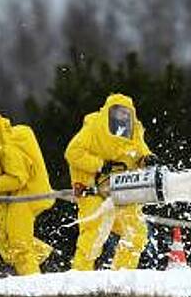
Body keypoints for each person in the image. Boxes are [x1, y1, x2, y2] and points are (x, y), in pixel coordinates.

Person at [65, 93, 155, 271]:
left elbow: (140, 152)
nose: (122, 117)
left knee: (136, 232)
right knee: (93, 232)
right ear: (109, 112)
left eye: (126, 113)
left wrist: (147, 159)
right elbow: (73, 152)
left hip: (121, 190)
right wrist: (100, 165)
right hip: (92, 190)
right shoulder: (93, 128)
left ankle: (121, 274)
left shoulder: (134, 132)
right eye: (118, 112)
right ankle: (80, 277)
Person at [0, 109, 54, 275]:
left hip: (25, 198)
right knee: (0, 234)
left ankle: (32, 281)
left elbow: (19, 179)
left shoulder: (8, 150)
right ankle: (45, 257)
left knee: (18, 242)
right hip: (16, 197)